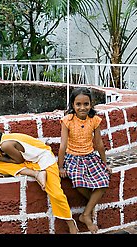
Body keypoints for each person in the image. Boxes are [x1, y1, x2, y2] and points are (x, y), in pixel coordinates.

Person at [0, 124, 79, 234]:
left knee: (56, 193)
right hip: (30, 162)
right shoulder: (0, 143)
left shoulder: (5, 144)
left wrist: (1, 158)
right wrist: (0, 159)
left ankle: (71, 224)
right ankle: (37, 174)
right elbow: (20, 159)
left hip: (44, 160)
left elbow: (18, 161)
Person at [57, 87, 112, 234]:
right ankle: (90, 208)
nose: (82, 108)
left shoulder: (94, 120)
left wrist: (105, 163)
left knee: (103, 182)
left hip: (90, 157)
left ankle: (85, 214)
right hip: (72, 158)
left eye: (86, 104)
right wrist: (61, 167)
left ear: (91, 104)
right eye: (78, 104)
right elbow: (62, 146)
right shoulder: (67, 121)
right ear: (73, 105)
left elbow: (99, 144)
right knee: (78, 182)